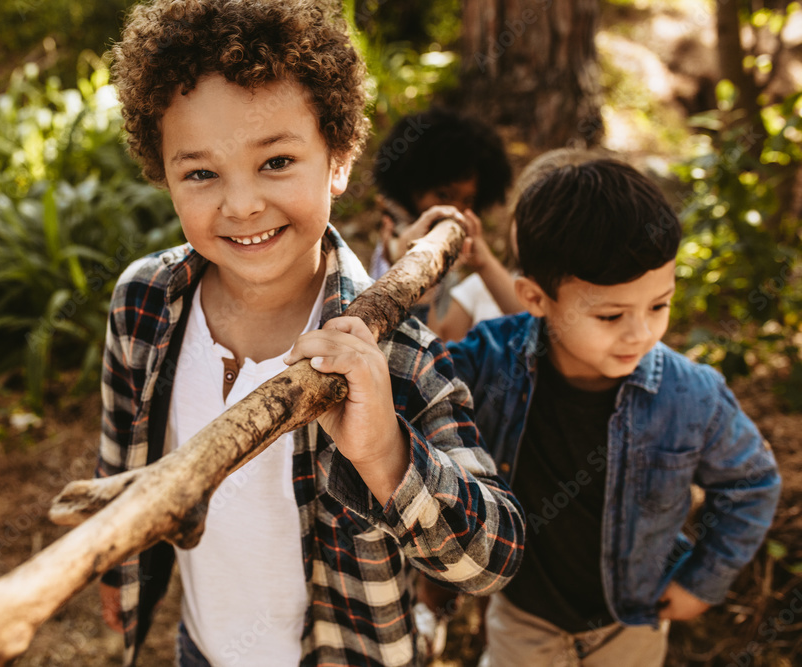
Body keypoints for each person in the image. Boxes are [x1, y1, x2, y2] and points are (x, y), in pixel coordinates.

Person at [96, 2, 526, 666]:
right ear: (165, 173)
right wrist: (114, 564)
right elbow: (121, 458)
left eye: (275, 162)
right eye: (202, 172)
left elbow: (492, 558)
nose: (241, 205)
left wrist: (386, 453)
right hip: (202, 649)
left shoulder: (390, 352)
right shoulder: (145, 303)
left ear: (339, 157)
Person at [443, 158, 781, 666]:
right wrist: (421, 287)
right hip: (523, 616)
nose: (640, 333)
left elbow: (751, 483)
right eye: (611, 315)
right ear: (535, 298)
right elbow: (417, 379)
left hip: (630, 624)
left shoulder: (692, 396)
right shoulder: (492, 361)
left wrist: (700, 582)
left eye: (658, 306)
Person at [368, 108, 521, 339]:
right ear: (412, 189)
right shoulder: (398, 242)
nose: (455, 210)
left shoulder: (459, 264)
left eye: (467, 200)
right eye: (443, 195)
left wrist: (483, 261)